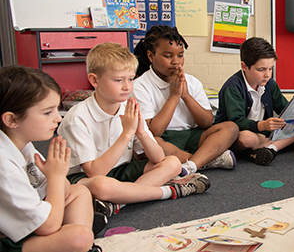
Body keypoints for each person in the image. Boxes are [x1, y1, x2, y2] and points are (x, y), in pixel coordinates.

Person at [58, 42, 210, 218]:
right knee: (101, 185)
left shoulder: (127, 107)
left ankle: (118, 203)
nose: (127, 87)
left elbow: (158, 158)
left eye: (130, 79)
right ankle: (170, 191)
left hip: (120, 170)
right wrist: (127, 134)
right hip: (84, 178)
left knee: (173, 163)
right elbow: (95, 172)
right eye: (118, 80)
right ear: (94, 80)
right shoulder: (77, 118)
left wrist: (142, 133)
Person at [0, 66, 98, 252]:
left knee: (80, 192)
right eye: (47, 112)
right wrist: (56, 175)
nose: (57, 118)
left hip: (25, 227)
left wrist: (57, 179)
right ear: (12, 119)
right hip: (5, 250)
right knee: (80, 237)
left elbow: (61, 190)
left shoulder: (21, 142)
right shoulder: (3, 164)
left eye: (56, 109)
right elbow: (48, 226)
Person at [132, 25, 239, 175]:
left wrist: (186, 95)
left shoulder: (192, 82)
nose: (176, 61)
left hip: (191, 135)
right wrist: (174, 96)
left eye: (180, 55)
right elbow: (154, 131)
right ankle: (205, 160)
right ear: (151, 56)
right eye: (168, 56)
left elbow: (207, 122)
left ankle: (192, 165)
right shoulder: (140, 86)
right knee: (150, 144)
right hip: (164, 139)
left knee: (231, 128)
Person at [215, 37, 294, 165]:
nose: (267, 74)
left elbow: (285, 109)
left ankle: (269, 148)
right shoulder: (233, 87)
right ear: (244, 66)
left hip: (263, 133)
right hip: (241, 134)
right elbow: (236, 122)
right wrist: (262, 126)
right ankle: (276, 145)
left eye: (270, 68)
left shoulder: (269, 84)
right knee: (246, 138)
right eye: (261, 70)